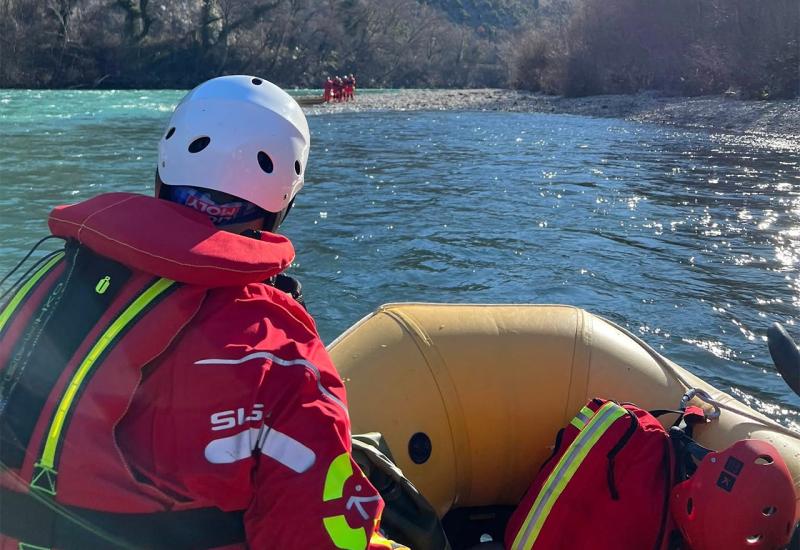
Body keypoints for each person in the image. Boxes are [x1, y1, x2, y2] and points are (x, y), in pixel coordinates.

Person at [0, 76, 402, 549]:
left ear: (161, 175)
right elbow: (322, 536)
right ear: (283, 206)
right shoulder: (281, 357)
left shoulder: (50, 280)